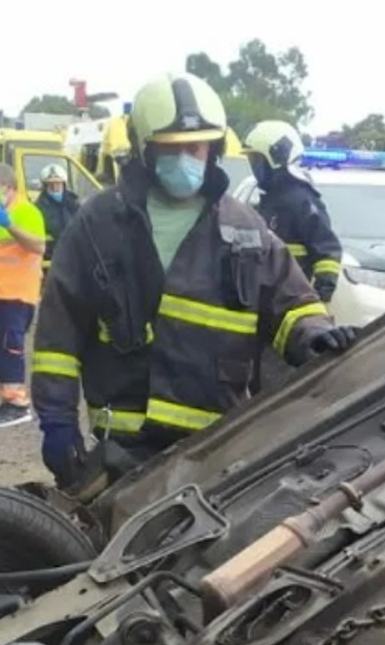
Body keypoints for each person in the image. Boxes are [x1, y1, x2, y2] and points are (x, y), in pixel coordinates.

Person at [31, 72, 359, 490]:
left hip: (218, 446)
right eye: (172, 149)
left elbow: (290, 302)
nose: (186, 159)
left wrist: (315, 336)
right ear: (144, 149)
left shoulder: (244, 228)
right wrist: (57, 421)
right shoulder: (98, 224)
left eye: (196, 147)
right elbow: (59, 334)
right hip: (125, 448)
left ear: (214, 148)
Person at [243, 120, 343, 300]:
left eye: (257, 159)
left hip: (291, 300)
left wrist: (320, 296)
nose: (253, 166)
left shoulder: (302, 200)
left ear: (277, 157)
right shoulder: (268, 202)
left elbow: (328, 251)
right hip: (268, 299)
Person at [0, 162, 46, 428]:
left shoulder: (25, 212)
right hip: (0, 293)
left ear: (9, 186)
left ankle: (19, 405)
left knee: (9, 349)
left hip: (18, 295)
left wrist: (11, 226)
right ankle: (7, 400)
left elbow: (38, 246)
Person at [32, 163, 81, 264]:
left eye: (58, 184)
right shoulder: (38, 209)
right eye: (51, 184)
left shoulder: (73, 203)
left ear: (64, 185)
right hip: (50, 259)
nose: (55, 188)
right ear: (45, 187)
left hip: (74, 256)